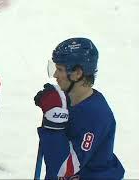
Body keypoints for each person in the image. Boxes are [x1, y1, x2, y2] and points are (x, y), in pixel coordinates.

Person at [34, 37, 125, 179]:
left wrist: (53, 124)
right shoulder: (65, 99)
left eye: (60, 69)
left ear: (77, 73)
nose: (55, 75)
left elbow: (66, 169)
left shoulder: (96, 115)